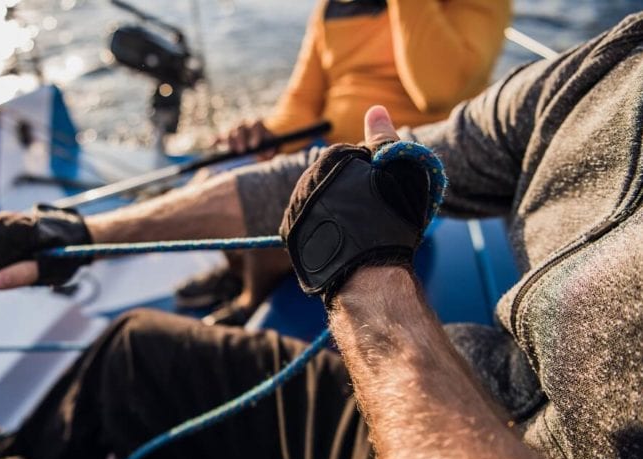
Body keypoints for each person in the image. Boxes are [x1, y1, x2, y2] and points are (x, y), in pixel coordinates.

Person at [0, 12, 643, 459]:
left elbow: (434, 78)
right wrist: (76, 231)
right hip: (446, 390)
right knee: (133, 349)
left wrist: (367, 278)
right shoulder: (600, 71)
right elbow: (299, 154)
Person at [177, 0, 512, 324]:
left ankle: (251, 296)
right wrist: (266, 132)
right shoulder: (332, 6)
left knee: (276, 216)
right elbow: (300, 105)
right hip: (334, 152)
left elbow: (437, 90)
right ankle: (241, 271)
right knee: (211, 179)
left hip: (409, 168)